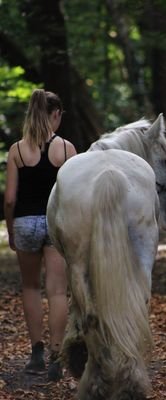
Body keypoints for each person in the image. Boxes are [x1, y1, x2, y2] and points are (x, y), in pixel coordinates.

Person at [4, 89, 77, 382]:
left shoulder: (17, 151)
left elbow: (9, 199)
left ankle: (36, 354)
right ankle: (57, 357)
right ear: (56, 115)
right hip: (55, 223)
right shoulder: (67, 150)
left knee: (31, 288)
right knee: (57, 290)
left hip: (24, 222)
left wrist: (11, 231)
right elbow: (74, 196)